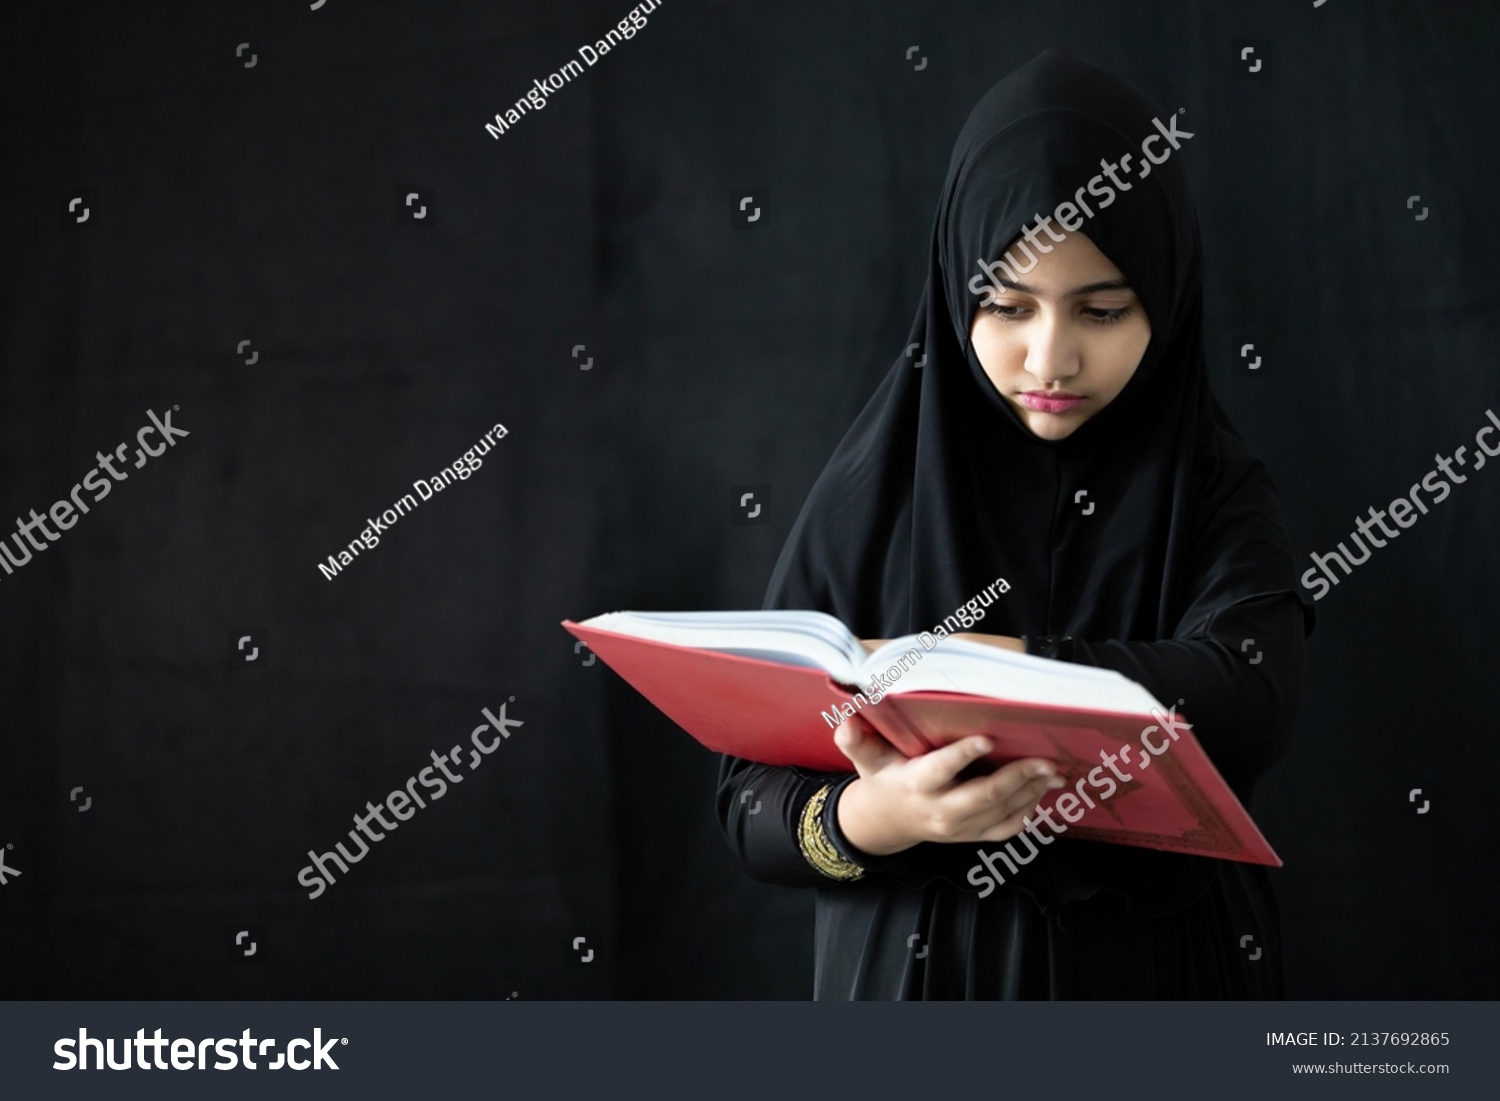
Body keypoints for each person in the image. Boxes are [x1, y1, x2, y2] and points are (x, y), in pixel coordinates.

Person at [715, 48, 1313, 999]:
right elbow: (746, 801)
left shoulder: (1212, 487)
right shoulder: (874, 491)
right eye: (1006, 304)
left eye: (1104, 310)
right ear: (956, 292)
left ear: (1167, 296)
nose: (1052, 356)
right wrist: (879, 816)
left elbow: (1253, 695)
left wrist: (1002, 670)